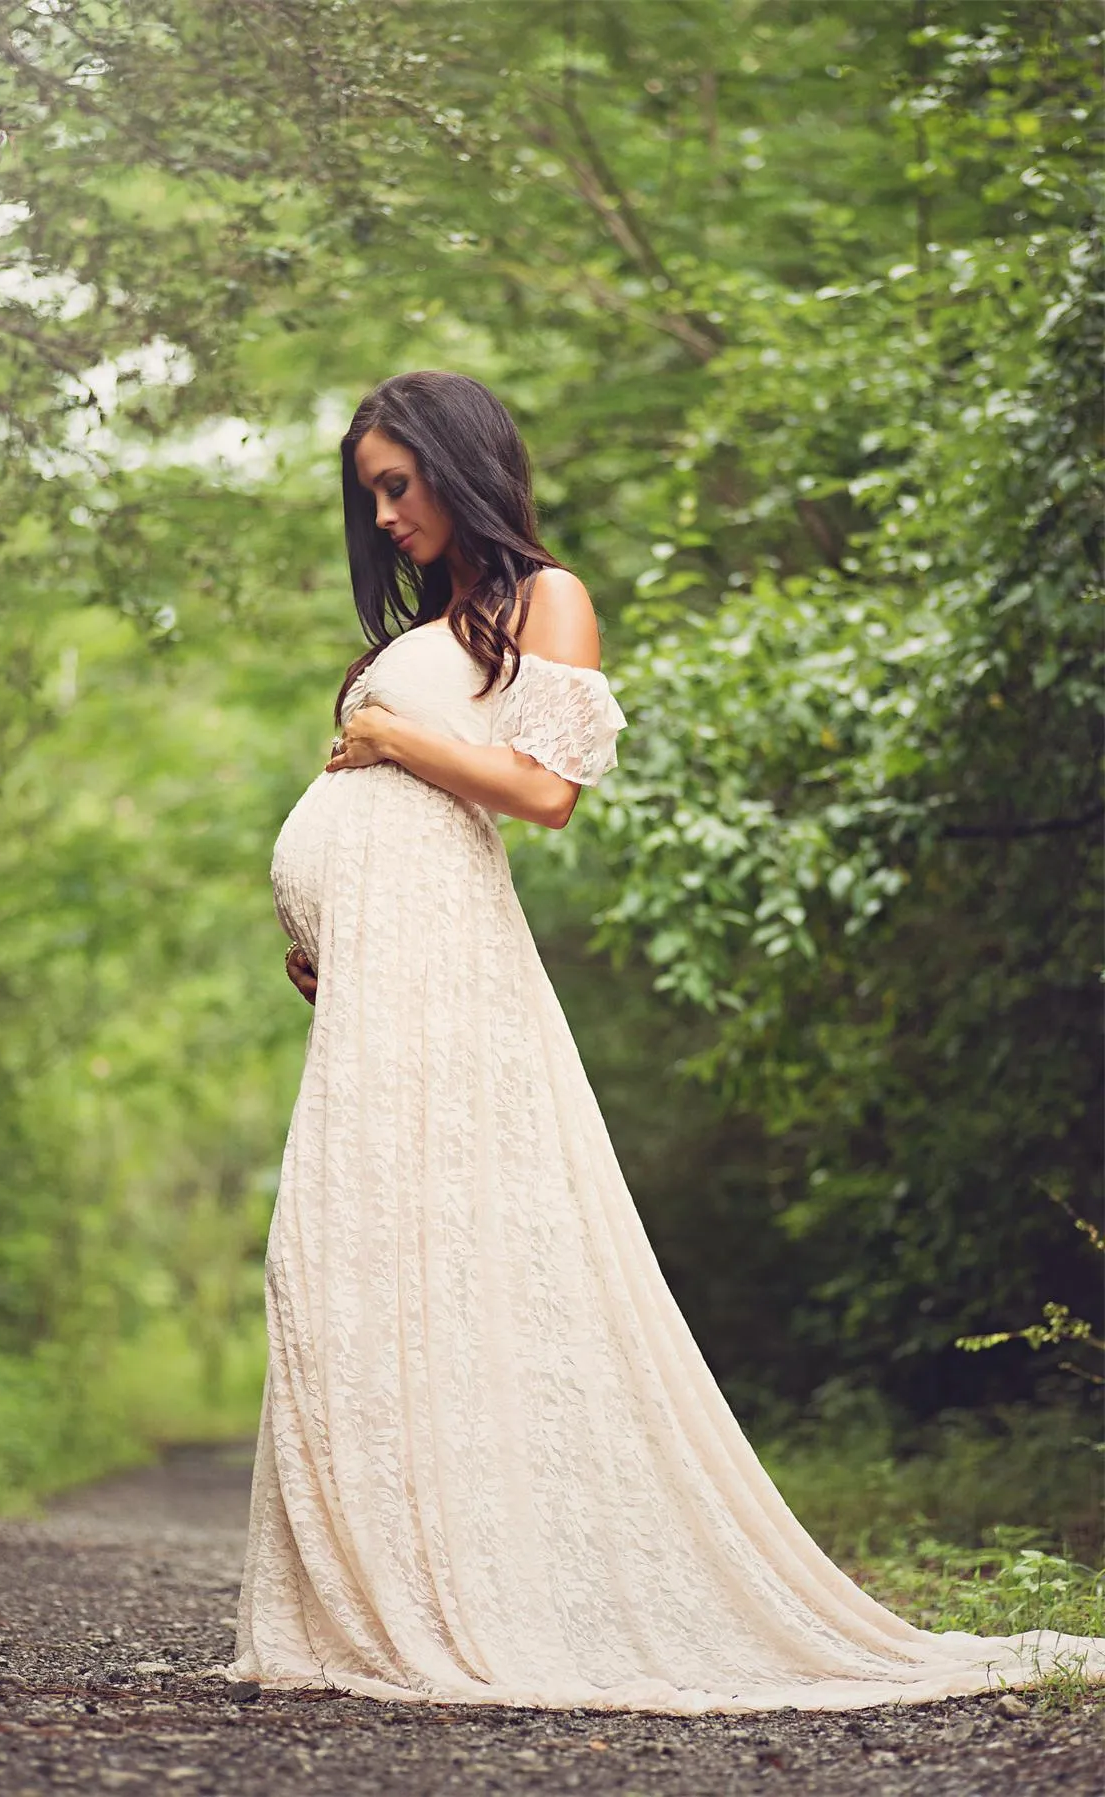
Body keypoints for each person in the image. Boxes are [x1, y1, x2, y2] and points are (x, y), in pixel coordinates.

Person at [220, 370, 1105, 1714]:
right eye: (372, 494)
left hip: (449, 973)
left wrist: (387, 732)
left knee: (443, 1260)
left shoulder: (544, 597)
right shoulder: (436, 623)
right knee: (340, 1262)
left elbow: (546, 794)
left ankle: (479, 1596)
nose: (386, 513)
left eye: (401, 484)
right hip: (386, 987)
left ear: (464, 466)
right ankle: (368, 1601)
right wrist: (334, 938)